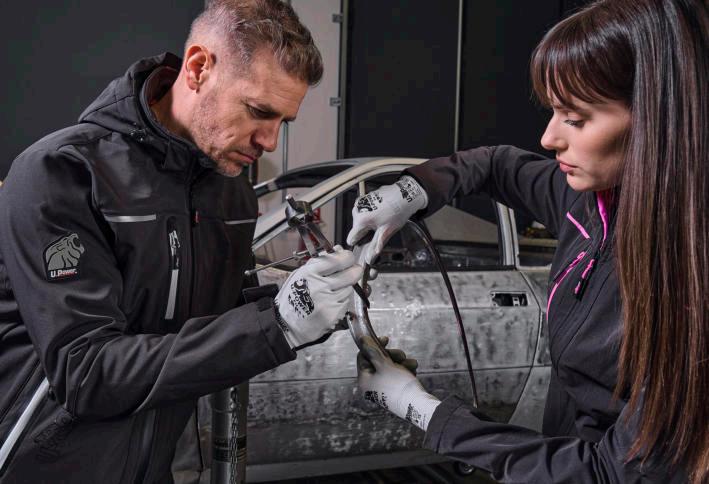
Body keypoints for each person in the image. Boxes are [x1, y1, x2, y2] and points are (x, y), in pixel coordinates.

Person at [0, 1, 365, 482]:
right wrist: (278, 326)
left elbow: (201, 324)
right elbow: (86, 373)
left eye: (283, 122)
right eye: (259, 112)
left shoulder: (231, 193)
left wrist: (299, 297)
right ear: (197, 68)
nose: (270, 142)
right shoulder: (64, 172)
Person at [349, 0, 708, 482]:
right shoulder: (591, 203)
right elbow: (496, 165)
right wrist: (416, 189)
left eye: (575, 118)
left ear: (657, 121)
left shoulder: (689, 292)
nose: (548, 137)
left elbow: (607, 474)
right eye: (553, 111)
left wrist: (425, 411)